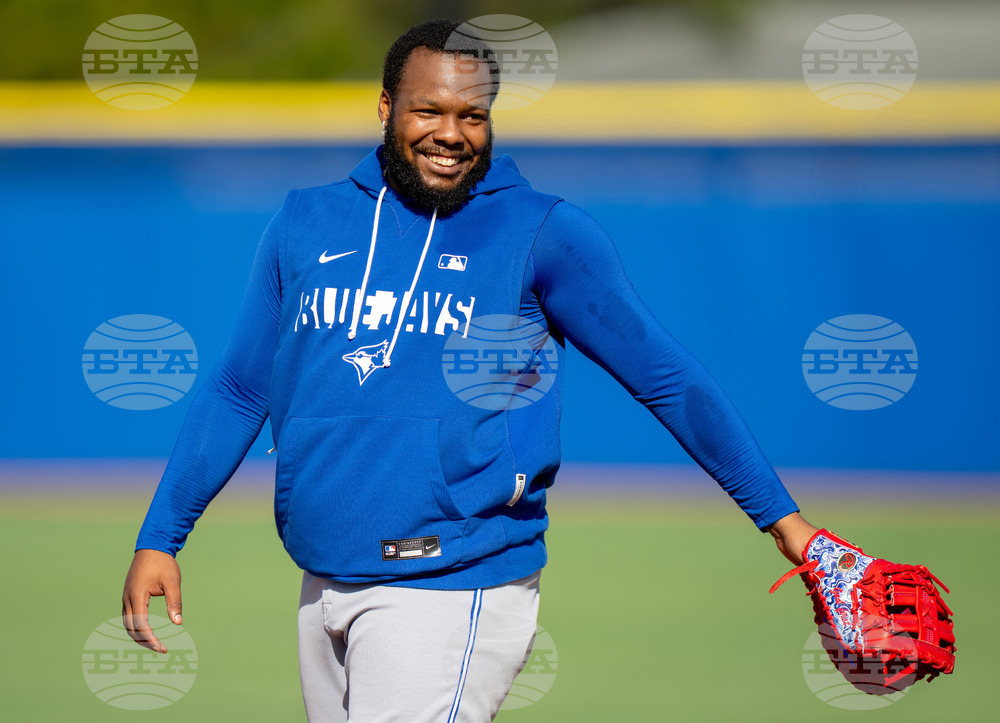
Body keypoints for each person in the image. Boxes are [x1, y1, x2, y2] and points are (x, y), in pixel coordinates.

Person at [122, 18, 820, 722]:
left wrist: (785, 524)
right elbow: (240, 390)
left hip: (452, 581)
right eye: (429, 110)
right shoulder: (306, 221)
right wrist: (161, 535)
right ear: (386, 108)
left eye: (473, 115)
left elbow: (666, 378)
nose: (451, 134)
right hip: (323, 576)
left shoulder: (539, 231)